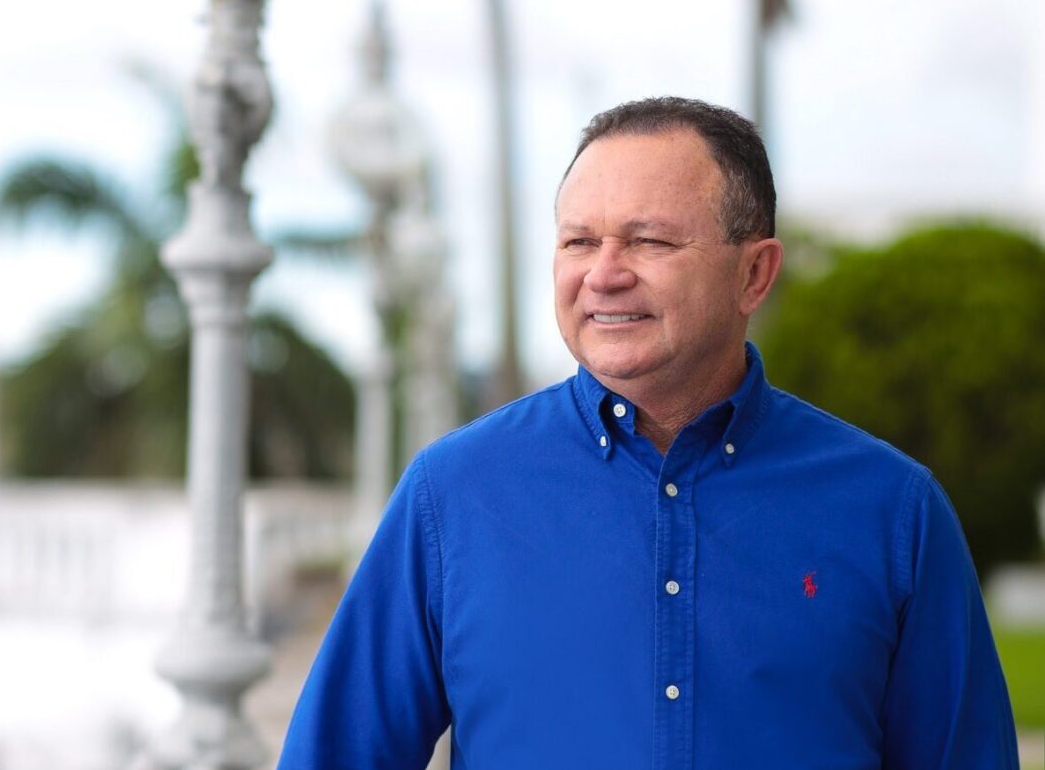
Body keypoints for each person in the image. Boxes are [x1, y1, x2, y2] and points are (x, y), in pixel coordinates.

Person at [277, 97, 1019, 769]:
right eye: (578, 241)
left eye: (650, 241)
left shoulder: (894, 513)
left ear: (754, 275)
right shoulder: (452, 496)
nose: (603, 274)